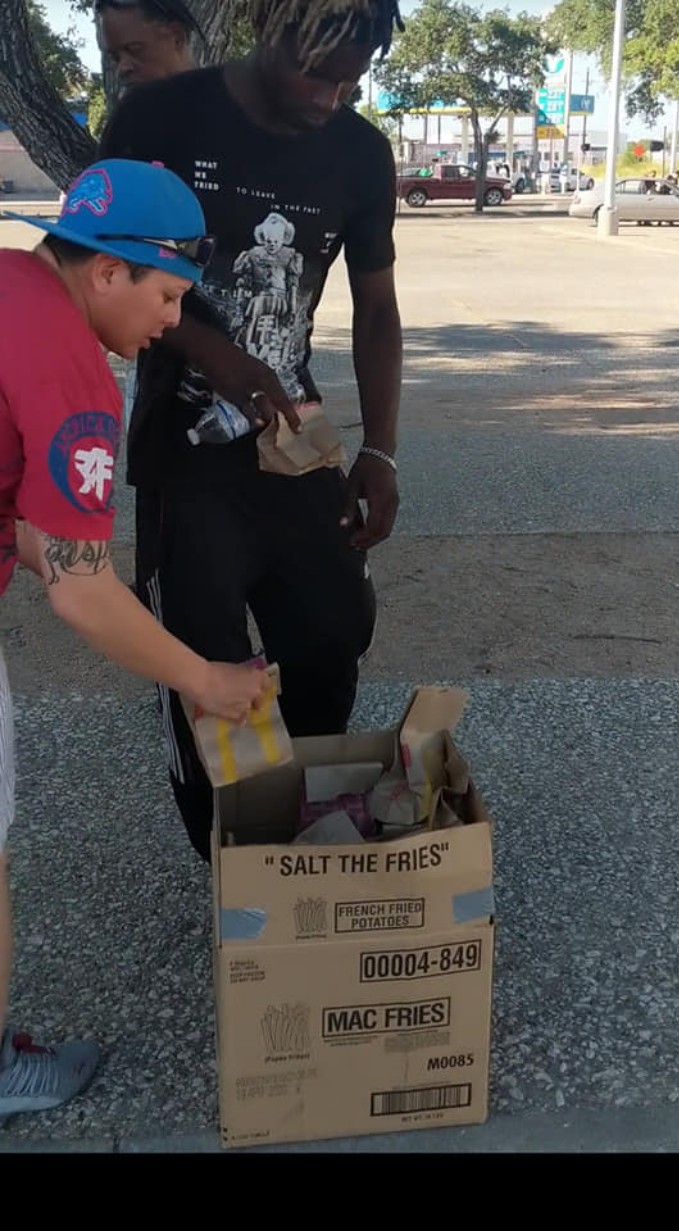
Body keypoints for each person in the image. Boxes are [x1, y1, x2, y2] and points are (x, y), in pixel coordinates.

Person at [98, 0, 404, 865]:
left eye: (353, 78)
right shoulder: (160, 115)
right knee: (203, 651)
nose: (333, 96)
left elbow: (377, 309)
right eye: (320, 72)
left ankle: (295, 821)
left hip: (291, 439)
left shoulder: (359, 151)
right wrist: (209, 349)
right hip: (182, 448)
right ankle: (233, 861)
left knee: (331, 627)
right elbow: (98, 263)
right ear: (270, 29)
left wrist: (379, 451)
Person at [0, 158, 267, 1121]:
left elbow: (33, 532)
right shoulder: (74, 371)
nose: (169, 324)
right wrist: (206, 679)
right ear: (107, 271)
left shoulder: (7, 280)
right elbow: (83, 592)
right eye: (166, 295)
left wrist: (58, 559)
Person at [95, 0, 202, 430]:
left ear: (176, 36)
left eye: (134, 50)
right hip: (160, 361)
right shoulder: (129, 127)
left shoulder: (243, 117)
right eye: (114, 57)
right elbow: (96, 252)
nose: (123, 67)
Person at [94, 0, 202, 92]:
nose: (122, 69)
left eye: (135, 49)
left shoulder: (216, 109)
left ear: (177, 38)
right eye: (115, 58)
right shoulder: (130, 115)